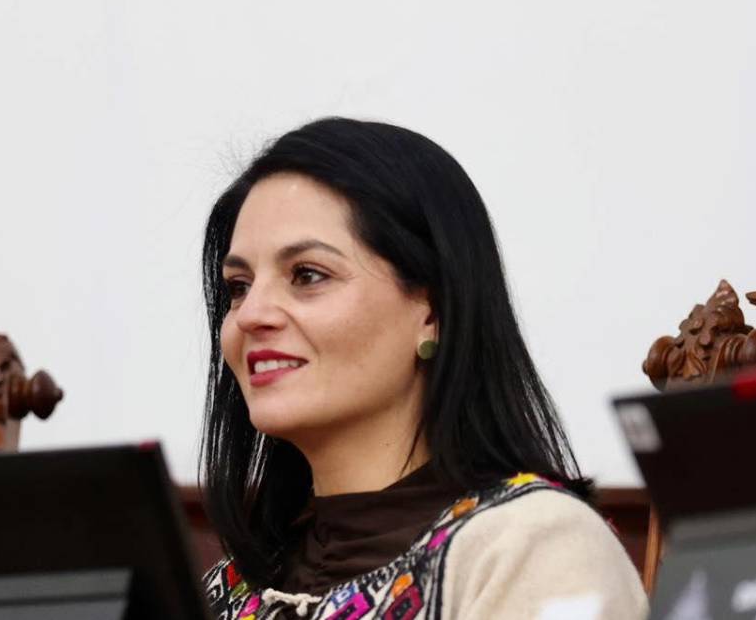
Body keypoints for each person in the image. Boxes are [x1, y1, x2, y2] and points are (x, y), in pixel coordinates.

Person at [198, 117, 647, 619]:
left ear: (432, 312)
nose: (251, 314)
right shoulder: (230, 585)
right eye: (239, 287)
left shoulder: (536, 548)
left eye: (307, 275)